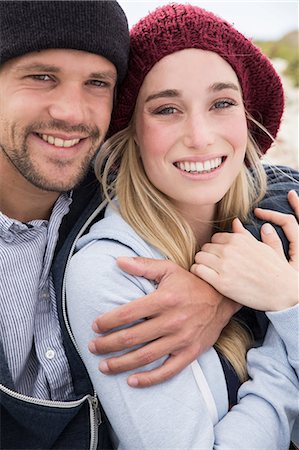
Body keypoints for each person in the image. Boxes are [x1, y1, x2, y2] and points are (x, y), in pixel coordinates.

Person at [0, 1, 270, 447]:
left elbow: (268, 181)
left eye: (97, 83)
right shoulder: (109, 257)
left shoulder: (97, 183)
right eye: (41, 76)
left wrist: (216, 289)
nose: (70, 111)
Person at [66, 3, 299, 449]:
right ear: (131, 131)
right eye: (167, 109)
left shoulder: (282, 223)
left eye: (222, 103)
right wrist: (285, 315)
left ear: (247, 118)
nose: (199, 135)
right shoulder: (110, 275)